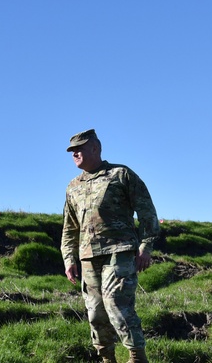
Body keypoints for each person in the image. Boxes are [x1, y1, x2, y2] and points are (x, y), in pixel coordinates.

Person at [61, 129, 160, 363]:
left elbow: (147, 212)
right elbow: (69, 227)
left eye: (80, 148)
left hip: (120, 251)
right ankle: (107, 359)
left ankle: (136, 357)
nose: (75, 154)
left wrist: (146, 246)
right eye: (72, 151)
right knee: (95, 312)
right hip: (87, 257)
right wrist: (69, 259)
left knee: (117, 304)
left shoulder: (120, 174)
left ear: (95, 148)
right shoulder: (73, 186)